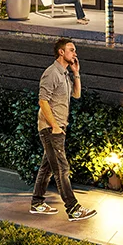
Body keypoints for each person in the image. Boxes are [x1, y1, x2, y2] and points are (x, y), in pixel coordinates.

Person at [31, 38, 97, 220]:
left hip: (58, 127)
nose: (75, 54)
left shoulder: (65, 74)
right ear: (61, 52)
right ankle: (73, 208)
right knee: (62, 168)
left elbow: (76, 95)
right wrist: (54, 127)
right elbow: (42, 101)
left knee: (48, 167)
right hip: (51, 128)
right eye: (71, 50)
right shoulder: (51, 73)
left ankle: (37, 203)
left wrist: (76, 73)